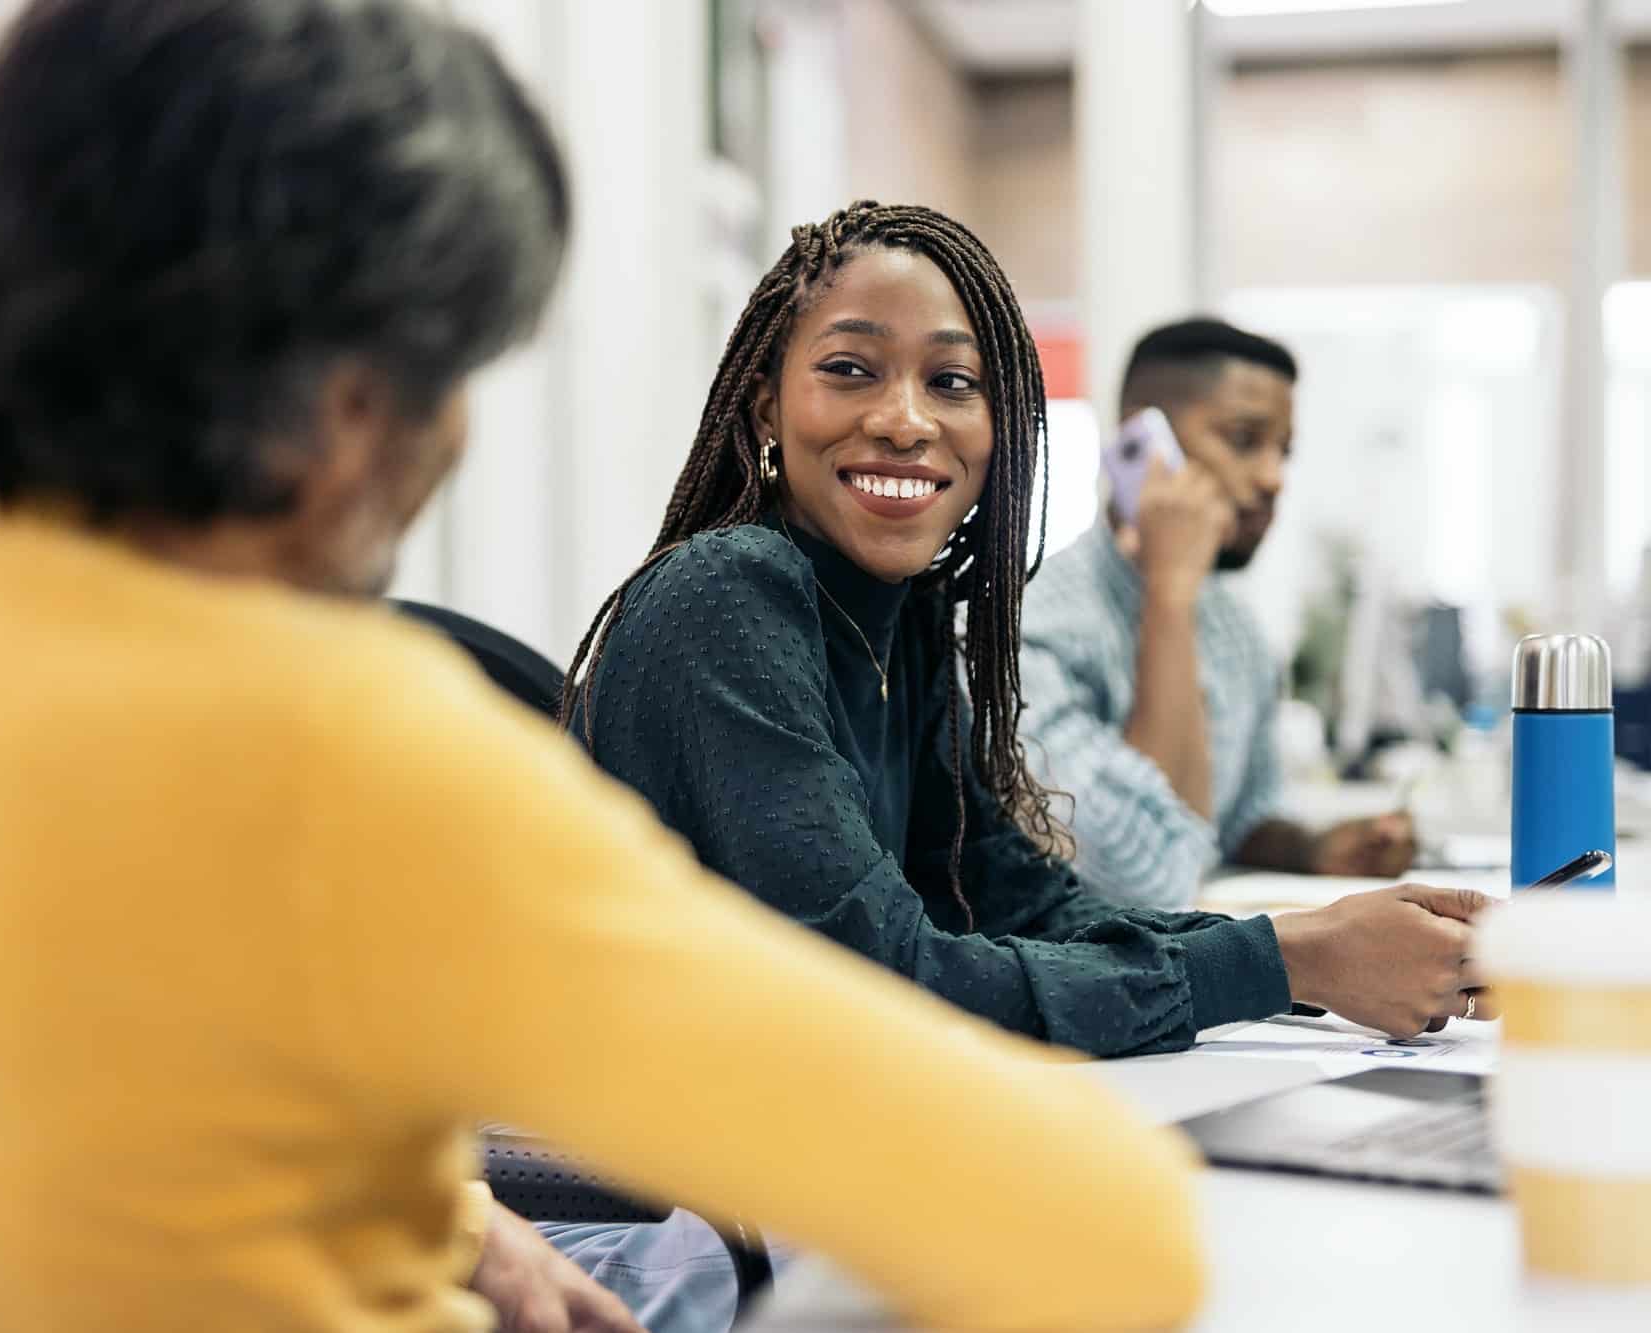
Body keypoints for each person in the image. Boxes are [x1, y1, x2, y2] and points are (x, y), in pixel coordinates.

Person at [0, 5, 1212, 1332]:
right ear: (352, 405)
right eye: (454, 367)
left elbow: (121, 1055)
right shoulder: (347, 745)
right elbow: (1115, 1233)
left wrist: (468, 1230)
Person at [567, 206, 1490, 1056]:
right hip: (673, 1211)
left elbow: (1022, 904)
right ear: (767, 403)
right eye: (850, 369)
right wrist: (1292, 962)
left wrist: (1318, 945)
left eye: (952, 381)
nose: (903, 419)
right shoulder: (729, 594)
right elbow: (882, 986)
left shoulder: (909, 620)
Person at [1020, 318, 1418, 912]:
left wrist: (1314, 850)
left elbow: (1231, 824)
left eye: (1284, 451)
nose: (1273, 477)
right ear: (1141, 445)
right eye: (1243, 439)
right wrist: (1170, 596)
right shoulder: (1027, 631)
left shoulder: (1237, 631)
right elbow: (1146, 879)